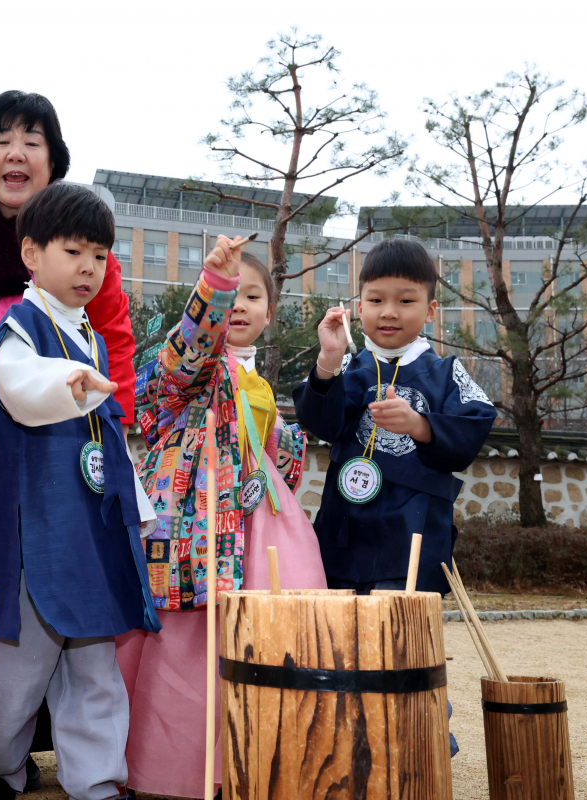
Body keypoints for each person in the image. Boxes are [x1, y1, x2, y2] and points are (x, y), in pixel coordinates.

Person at [116, 245, 327, 798]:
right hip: (198, 521)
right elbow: (189, 355)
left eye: (251, 295)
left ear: (269, 312)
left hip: (260, 522)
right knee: (188, 645)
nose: (239, 305)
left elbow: (281, 459)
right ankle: (176, 772)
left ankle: (255, 760)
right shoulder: (188, 364)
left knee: (269, 638)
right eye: (229, 295)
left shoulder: (258, 380)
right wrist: (217, 282)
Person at [0, 183, 160, 800]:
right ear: (32, 253)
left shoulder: (94, 337)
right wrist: (71, 381)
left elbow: (108, 439)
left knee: (96, 663)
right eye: (74, 251)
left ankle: (98, 780)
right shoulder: (19, 326)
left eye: (101, 256)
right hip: (37, 528)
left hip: (92, 527)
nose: (89, 267)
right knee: (17, 668)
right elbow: (18, 388)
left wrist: (137, 507)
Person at [0, 89, 136, 540]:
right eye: (1, 140)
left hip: (57, 440)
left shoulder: (86, 251)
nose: (16, 153)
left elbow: (113, 340)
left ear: (53, 162)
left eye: (32, 142)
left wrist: (117, 430)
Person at [293, 238, 497, 594]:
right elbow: (318, 422)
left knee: (403, 638)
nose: (389, 311)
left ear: (430, 310)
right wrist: (328, 358)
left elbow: (475, 425)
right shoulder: (347, 366)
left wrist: (419, 426)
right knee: (342, 640)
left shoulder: (446, 372)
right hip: (345, 532)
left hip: (414, 532)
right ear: (358, 307)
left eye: (405, 301)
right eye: (376, 300)